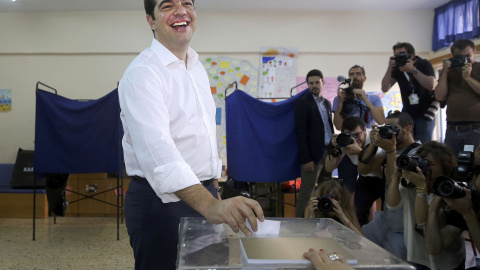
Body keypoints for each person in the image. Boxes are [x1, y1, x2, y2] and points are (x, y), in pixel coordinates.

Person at [118, 1, 264, 269]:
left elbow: (203, 137)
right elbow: (159, 154)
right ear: (151, 21)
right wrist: (209, 205)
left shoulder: (196, 66)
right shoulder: (143, 73)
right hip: (159, 204)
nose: (181, 11)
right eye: (167, 5)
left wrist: (214, 191)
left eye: (187, 3)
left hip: (204, 194)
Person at [389, 141, 465, 270]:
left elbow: (422, 220)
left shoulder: (449, 190)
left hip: (446, 262)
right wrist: (395, 177)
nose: (425, 167)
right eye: (422, 162)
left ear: (445, 168)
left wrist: (421, 188)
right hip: (417, 256)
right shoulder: (411, 183)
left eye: (431, 164)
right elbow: (392, 205)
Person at [358, 111, 420, 262]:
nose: (390, 131)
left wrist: (391, 150)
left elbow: (395, 182)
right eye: (387, 127)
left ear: (408, 129)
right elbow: (363, 169)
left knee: (396, 264)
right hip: (385, 220)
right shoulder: (389, 150)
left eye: (394, 127)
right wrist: (373, 143)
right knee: (357, 243)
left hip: (403, 227)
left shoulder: (418, 153)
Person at [325, 116, 384, 226]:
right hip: (365, 177)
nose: (354, 140)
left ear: (365, 130)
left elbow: (382, 172)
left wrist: (359, 153)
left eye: (357, 135)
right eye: (350, 135)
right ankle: (363, 234)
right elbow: (328, 168)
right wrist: (334, 149)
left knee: (387, 210)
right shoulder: (345, 142)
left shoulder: (375, 139)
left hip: (382, 177)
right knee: (358, 212)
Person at [294, 69, 334, 217]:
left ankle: (324, 222)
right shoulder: (302, 103)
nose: (314, 86)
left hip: (329, 153)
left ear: (323, 83)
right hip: (312, 156)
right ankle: (299, 226)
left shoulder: (327, 104)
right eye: (311, 83)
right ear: (307, 85)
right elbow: (300, 133)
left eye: (317, 82)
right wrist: (306, 159)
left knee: (327, 191)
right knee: (307, 193)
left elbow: (328, 128)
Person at [381, 42, 436, 144]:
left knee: (422, 147)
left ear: (412, 55)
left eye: (402, 54)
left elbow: (431, 85)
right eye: (396, 55)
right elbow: (385, 88)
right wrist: (390, 68)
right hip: (407, 115)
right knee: (406, 145)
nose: (399, 57)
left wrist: (413, 70)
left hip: (425, 115)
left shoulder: (423, 64)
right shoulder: (398, 69)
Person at [435, 38, 480, 155]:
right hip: (452, 129)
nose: (465, 60)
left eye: (468, 56)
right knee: (451, 165)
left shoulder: (479, 68)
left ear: (475, 53)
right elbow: (439, 96)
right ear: (453, 56)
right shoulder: (449, 71)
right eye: (459, 57)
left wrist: (468, 78)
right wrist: (444, 72)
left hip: (475, 129)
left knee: (473, 165)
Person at [333, 65, 385, 130]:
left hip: (368, 137)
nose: (354, 76)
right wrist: (340, 102)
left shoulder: (374, 98)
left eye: (358, 74)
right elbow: (338, 127)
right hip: (348, 136)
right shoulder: (339, 98)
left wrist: (365, 99)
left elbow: (381, 121)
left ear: (364, 78)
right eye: (351, 74)